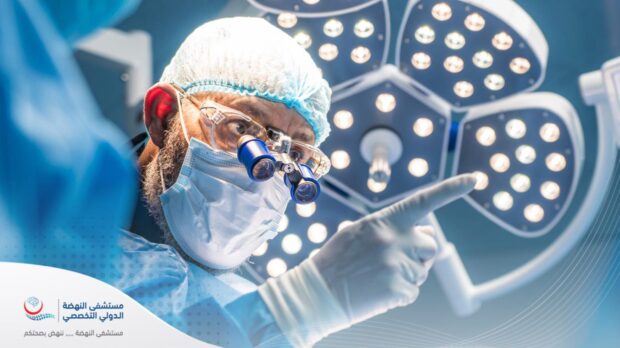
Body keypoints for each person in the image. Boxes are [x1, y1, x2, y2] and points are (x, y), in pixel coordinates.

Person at [0, 2, 476, 347]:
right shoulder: (51, 225)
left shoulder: (253, 308)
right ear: (164, 115)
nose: (265, 173)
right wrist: (298, 307)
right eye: (242, 128)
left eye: (295, 155)